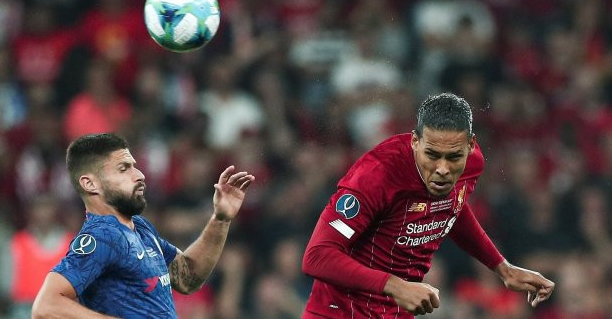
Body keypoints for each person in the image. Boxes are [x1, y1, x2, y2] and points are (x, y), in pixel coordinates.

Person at [301, 93, 554, 318]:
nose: (443, 169)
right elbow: (317, 256)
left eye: (454, 157)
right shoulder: (376, 175)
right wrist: (396, 286)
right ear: (414, 141)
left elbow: (452, 208)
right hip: (339, 312)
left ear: (470, 145)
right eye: (432, 155)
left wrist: (503, 268)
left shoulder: (472, 165)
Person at [31, 133, 254, 318]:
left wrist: (220, 219)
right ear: (90, 183)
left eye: (134, 166)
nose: (139, 175)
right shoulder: (101, 237)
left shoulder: (140, 228)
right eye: (123, 168)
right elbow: (46, 306)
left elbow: (187, 277)